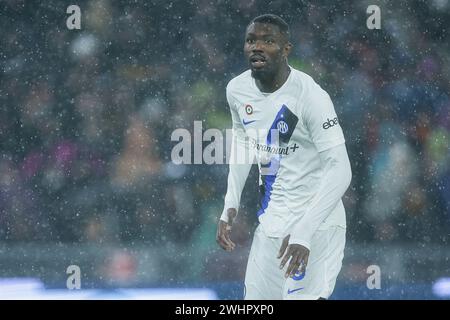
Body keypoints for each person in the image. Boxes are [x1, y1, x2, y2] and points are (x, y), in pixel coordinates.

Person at [216, 14, 352, 300]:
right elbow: (243, 143)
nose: (257, 47)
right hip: (271, 226)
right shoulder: (237, 90)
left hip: (317, 226)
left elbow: (340, 169)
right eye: (251, 40)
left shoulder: (311, 97)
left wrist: (304, 231)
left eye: (268, 41)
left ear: (286, 49)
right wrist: (231, 203)